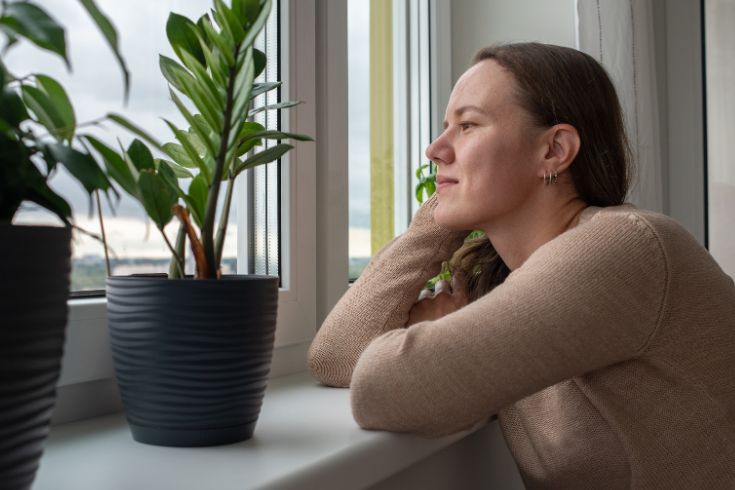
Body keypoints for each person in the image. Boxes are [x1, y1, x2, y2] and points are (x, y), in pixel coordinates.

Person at [307, 43, 735, 489]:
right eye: (444, 128)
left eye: (468, 126)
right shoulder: (510, 283)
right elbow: (335, 356)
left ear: (554, 150)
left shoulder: (626, 247)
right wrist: (436, 223)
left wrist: (435, 335)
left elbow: (383, 387)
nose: (435, 149)